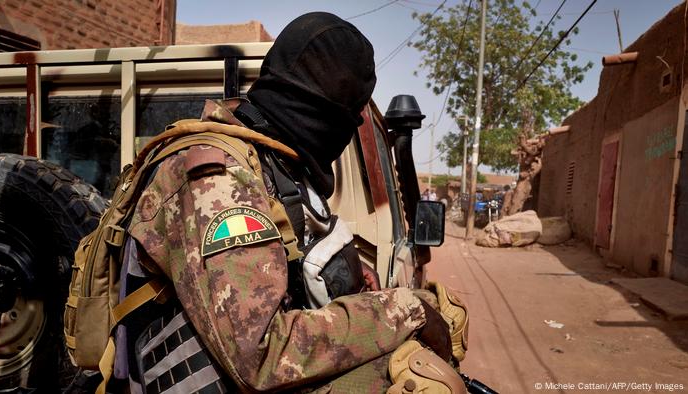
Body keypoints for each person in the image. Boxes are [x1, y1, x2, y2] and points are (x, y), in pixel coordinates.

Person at [121, 12, 461, 393]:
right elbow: (260, 354)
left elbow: (281, 271)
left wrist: (357, 286)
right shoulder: (219, 180)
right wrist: (402, 310)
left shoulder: (272, 162)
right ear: (330, 116)